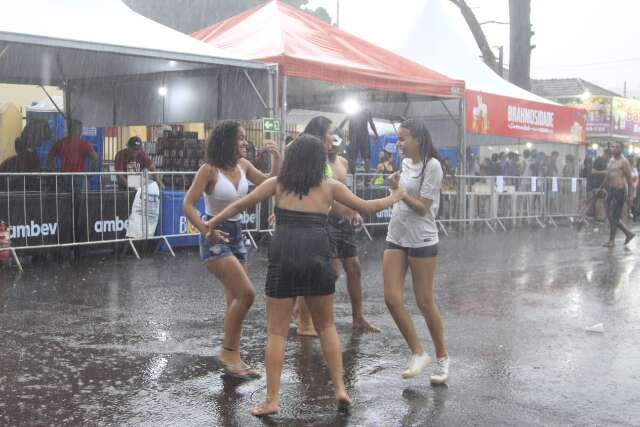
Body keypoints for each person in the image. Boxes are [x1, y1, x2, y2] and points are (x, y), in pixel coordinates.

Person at [206, 134, 405, 416]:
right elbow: (367, 207)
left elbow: (239, 206)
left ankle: (272, 400)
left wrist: (209, 224)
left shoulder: (278, 184)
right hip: (317, 252)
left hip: (284, 252)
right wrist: (396, 196)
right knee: (327, 327)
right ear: (318, 161)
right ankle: (339, 388)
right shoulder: (330, 186)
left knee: (276, 332)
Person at [182, 121, 281, 379]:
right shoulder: (209, 170)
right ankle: (228, 352)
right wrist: (206, 230)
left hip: (237, 234)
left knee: (234, 300)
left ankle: (233, 357)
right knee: (246, 295)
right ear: (226, 142)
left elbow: (271, 183)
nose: (245, 143)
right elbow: (188, 205)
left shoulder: (244, 166)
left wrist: (277, 157)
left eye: (245, 138)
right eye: (240, 139)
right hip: (216, 235)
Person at [296, 116, 380, 335]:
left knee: (354, 268)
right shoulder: (313, 163)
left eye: (336, 134)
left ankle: (358, 318)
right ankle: (322, 321)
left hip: (345, 224)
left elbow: (345, 195)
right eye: (331, 133)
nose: (336, 138)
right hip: (324, 223)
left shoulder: (342, 162)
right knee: (329, 273)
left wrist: (354, 211)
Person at [383, 119, 449, 385]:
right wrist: (394, 188)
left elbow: (423, 207)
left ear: (418, 139)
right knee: (391, 298)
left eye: (403, 138)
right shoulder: (404, 164)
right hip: (396, 235)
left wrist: (398, 192)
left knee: (424, 301)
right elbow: (401, 196)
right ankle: (418, 352)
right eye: (398, 138)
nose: (398, 143)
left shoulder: (432, 166)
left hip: (422, 239)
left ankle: (442, 358)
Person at [602, 142, 635, 247]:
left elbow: (630, 181)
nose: (614, 148)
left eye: (617, 147)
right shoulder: (611, 160)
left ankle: (612, 241)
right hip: (610, 191)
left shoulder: (624, 162)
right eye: (613, 147)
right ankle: (628, 233)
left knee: (614, 216)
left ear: (621, 149)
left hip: (619, 191)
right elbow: (607, 176)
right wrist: (600, 187)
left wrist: (630, 196)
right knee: (609, 215)